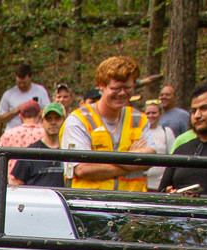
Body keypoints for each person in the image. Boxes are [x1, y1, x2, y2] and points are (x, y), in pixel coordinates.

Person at [61, 55, 151, 191]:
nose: (122, 93)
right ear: (101, 86)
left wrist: (101, 162)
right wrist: (132, 158)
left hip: (131, 200)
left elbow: (149, 158)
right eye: (116, 88)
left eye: (128, 87)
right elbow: (83, 169)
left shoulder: (138, 118)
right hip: (91, 201)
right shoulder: (78, 120)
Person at [10, 103, 67, 187]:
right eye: (49, 119)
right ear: (42, 122)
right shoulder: (30, 152)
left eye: (57, 118)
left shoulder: (69, 150)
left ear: (64, 121)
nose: (53, 122)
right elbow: (16, 184)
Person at [140, 100, 176, 190]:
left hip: (160, 183)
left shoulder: (166, 132)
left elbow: (172, 157)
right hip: (141, 183)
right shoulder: (139, 132)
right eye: (148, 113)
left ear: (160, 114)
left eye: (154, 113)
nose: (150, 116)